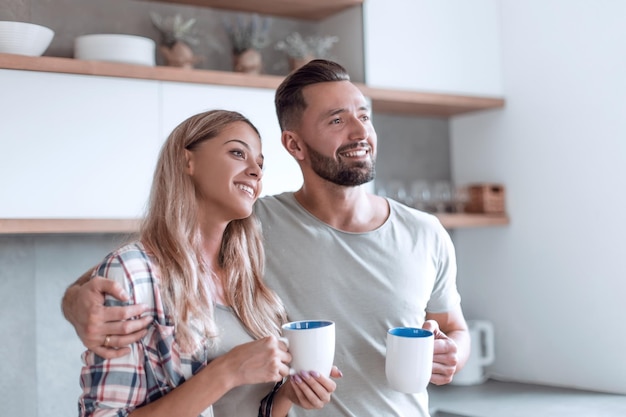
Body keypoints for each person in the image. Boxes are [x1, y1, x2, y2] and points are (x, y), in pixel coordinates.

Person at [63, 60, 470, 417]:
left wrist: (455, 353)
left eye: (364, 116)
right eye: (336, 120)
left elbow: (454, 328)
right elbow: (141, 267)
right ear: (294, 144)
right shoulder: (251, 223)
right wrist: (76, 302)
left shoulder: (425, 232)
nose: (359, 130)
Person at [71, 109, 338, 417]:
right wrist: (227, 371)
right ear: (188, 161)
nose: (256, 171)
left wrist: (287, 396)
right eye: (238, 153)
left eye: (260, 164)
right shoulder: (134, 272)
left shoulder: (247, 277)